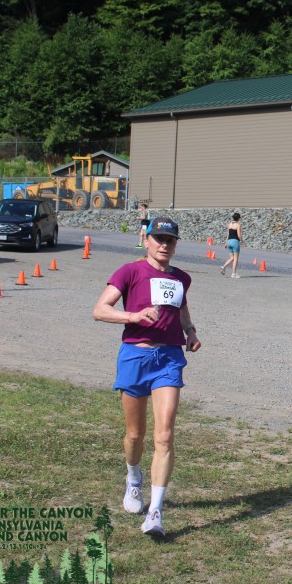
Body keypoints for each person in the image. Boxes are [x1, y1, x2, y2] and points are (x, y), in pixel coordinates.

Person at [92, 217, 201, 539]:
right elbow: (100, 309)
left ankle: (155, 512)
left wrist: (190, 331)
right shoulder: (129, 272)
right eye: (159, 239)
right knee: (135, 434)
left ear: (176, 244)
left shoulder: (181, 278)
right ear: (147, 240)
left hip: (168, 358)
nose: (164, 245)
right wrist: (133, 316)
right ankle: (133, 479)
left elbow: (180, 309)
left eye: (170, 240)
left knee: (164, 435)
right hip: (135, 357)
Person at [220, 212, 245, 278]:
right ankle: (233, 274)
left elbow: (228, 235)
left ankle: (224, 266)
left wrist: (226, 243)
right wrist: (243, 242)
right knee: (235, 258)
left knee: (231, 258)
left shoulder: (229, 224)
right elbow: (239, 235)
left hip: (229, 242)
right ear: (238, 218)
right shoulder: (238, 225)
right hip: (235, 242)